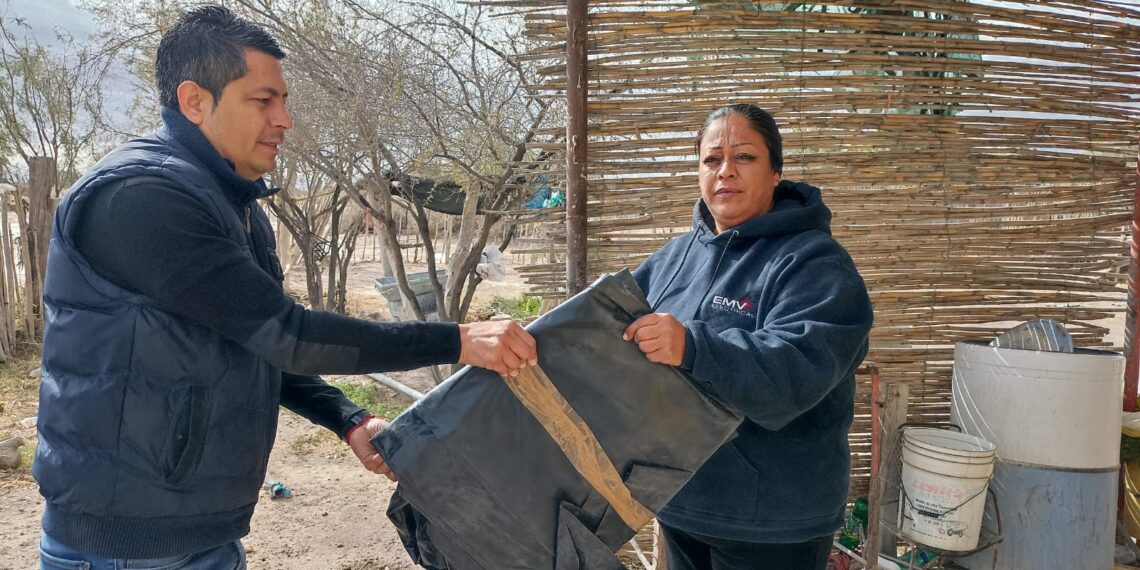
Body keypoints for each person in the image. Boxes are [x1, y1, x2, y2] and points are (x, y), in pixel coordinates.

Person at [33, 6, 536, 569]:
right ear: (195, 100)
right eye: (262, 100)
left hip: (195, 526)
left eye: (284, 100)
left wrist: (347, 418)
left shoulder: (232, 201)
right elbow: (286, 335)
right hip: (125, 542)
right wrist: (458, 340)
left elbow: (257, 342)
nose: (285, 120)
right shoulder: (141, 198)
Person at [623, 103, 873, 569]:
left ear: (776, 170)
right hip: (683, 501)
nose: (725, 172)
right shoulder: (678, 255)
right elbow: (618, 332)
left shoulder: (815, 263)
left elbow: (796, 371)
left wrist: (693, 346)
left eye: (744, 157)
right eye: (711, 159)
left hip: (772, 521)